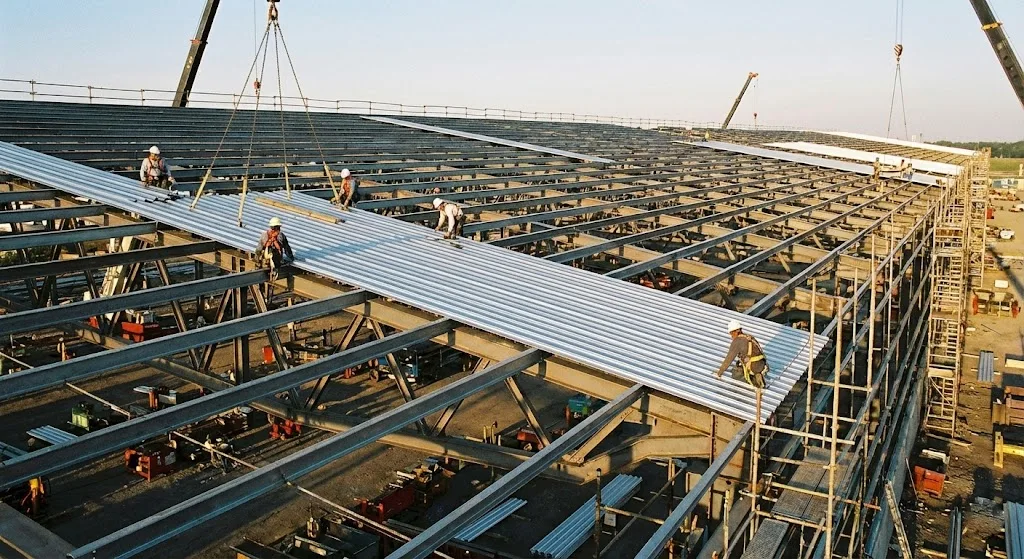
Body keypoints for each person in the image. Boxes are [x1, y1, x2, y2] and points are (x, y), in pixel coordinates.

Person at [714, 320, 769, 388]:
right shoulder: (749, 337)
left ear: (734, 332)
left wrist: (719, 372)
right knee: (740, 363)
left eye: (731, 333)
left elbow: (729, 359)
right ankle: (758, 374)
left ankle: (753, 382)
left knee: (735, 373)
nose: (731, 336)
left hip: (753, 367)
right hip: (762, 364)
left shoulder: (737, 341)